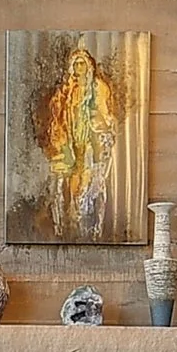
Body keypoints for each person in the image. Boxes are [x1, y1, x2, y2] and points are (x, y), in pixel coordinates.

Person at [41, 44, 119, 240]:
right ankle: (65, 224)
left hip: (91, 143)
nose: (79, 68)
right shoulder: (68, 89)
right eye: (76, 64)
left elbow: (106, 115)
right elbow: (56, 112)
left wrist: (101, 123)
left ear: (89, 66)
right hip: (70, 142)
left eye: (82, 64)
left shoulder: (99, 88)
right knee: (65, 183)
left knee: (89, 184)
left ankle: (91, 226)